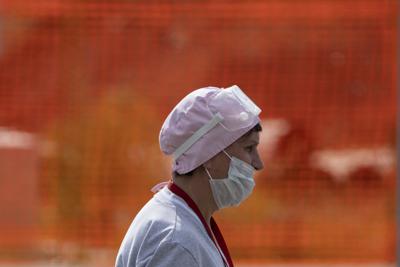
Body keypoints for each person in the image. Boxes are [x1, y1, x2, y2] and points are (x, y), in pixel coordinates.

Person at [115, 85, 264, 267]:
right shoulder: (177, 242)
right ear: (209, 154)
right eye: (249, 148)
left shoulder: (184, 221)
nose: (258, 163)